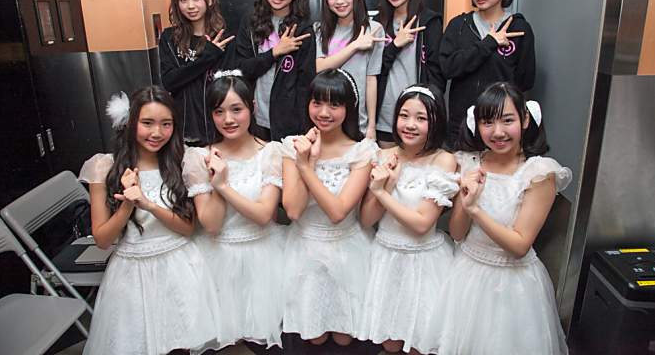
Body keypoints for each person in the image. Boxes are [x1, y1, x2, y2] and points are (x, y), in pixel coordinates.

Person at [420, 82, 571, 355]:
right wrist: (466, 203)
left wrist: (476, 209)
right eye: (488, 122)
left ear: (525, 120)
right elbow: (457, 233)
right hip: (466, 273)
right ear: (476, 124)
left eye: (508, 120)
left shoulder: (539, 173)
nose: (498, 132)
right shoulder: (468, 162)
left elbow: (519, 246)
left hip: (513, 284)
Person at [79, 86, 221, 355]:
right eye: (147, 123)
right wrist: (127, 204)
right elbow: (102, 240)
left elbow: (187, 228)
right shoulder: (104, 167)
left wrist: (148, 205)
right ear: (130, 122)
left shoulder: (182, 161)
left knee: (180, 343)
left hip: (179, 265)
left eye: (166, 124)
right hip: (131, 272)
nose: (157, 133)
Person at [182, 71, 285, 348]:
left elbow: (264, 215)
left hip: (263, 256)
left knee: (260, 339)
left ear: (252, 107)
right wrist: (216, 183)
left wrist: (223, 186)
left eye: (236, 109)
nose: (228, 119)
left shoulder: (272, 152)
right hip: (218, 258)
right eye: (219, 111)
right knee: (224, 338)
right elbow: (211, 225)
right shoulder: (198, 157)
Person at [358, 84, 458, 354]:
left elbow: (422, 224)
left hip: (423, 261)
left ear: (436, 121)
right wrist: (386, 185)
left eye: (421, 118)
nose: (410, 125)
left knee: (419, 342)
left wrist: (381, 192)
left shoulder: (444, 161)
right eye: (404, 115)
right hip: (385, 257)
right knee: (390, 342)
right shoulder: (382, 156)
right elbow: (367, 220)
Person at [281, 69, 378, 346]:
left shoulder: (362, 151)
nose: (324, 112)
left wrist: (305, 166)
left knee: (346, 338)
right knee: (314, 337)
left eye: (334, 104)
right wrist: (306, 159)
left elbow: (338, 213)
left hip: (348, 251)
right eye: (317, 103)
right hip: (304, 251)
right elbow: (294, 211)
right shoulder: (292, 145)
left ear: (350, 107)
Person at [440, 0, 535, 150]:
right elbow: (448, 67)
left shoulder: (518, 28)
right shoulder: (459, 26)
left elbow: (525, 80)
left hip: (500, 129)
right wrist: (488, 44)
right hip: (462, 126)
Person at [233, 0, 315, 141]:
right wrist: (275, 52)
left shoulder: (302, 30)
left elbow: (305, 85)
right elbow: (241, 69)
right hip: (254, 119)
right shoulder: (250, 23)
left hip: (289, 124)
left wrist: (304, 129)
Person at [373, 0, 444, 148]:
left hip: (420, 119)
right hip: (385, 117)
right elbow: (373, 71)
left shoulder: (429, 22)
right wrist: (395, 45)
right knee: (387, 165)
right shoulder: (377, 24)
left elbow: (437, 75)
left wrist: (430, 113)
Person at [160, 0, 234, 146]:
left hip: (217, 124)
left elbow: (229, 85)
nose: (190, 6)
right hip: (184, 124)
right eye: (183, 0)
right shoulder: (170, 38)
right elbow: (169, 82)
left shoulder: (223, 38)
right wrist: (208, 55)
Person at [315, 0, 386, 139]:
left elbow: (371, 80)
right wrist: (355, 46)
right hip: (325, 120)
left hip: (358, 122)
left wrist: (371, 126)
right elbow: (320, 68)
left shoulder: (374, 29)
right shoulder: (319, 29)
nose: (339, 1)